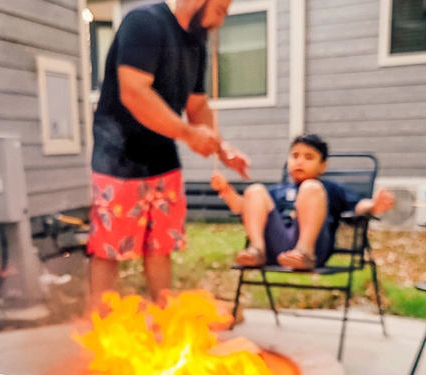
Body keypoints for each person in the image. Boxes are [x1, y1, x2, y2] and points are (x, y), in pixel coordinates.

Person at [88, 0, 250, 309]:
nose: (222, 19)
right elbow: (134, 92)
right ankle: (96, 324)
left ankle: (165, 323)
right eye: (221, 8)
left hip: (162, 158)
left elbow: (197, 106)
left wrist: (222, 149)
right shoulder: (145, 22)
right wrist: (189, 134)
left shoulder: (195, 44)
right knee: (108, 249)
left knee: (159, 247)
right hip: (118, 157)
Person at [210, 134, 395, 269]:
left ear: (323, 166)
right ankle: (256, 251)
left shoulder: (328, 188)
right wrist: (225, 189)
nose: (300, 162)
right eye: (295, 156)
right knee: (255, 190)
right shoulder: (278, 191)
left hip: (314, 249)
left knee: (310, 187)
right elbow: (243, 208)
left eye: (309, 157)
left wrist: (374, 205)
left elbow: (356, 206)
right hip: (275, 248)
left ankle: (303, 252)